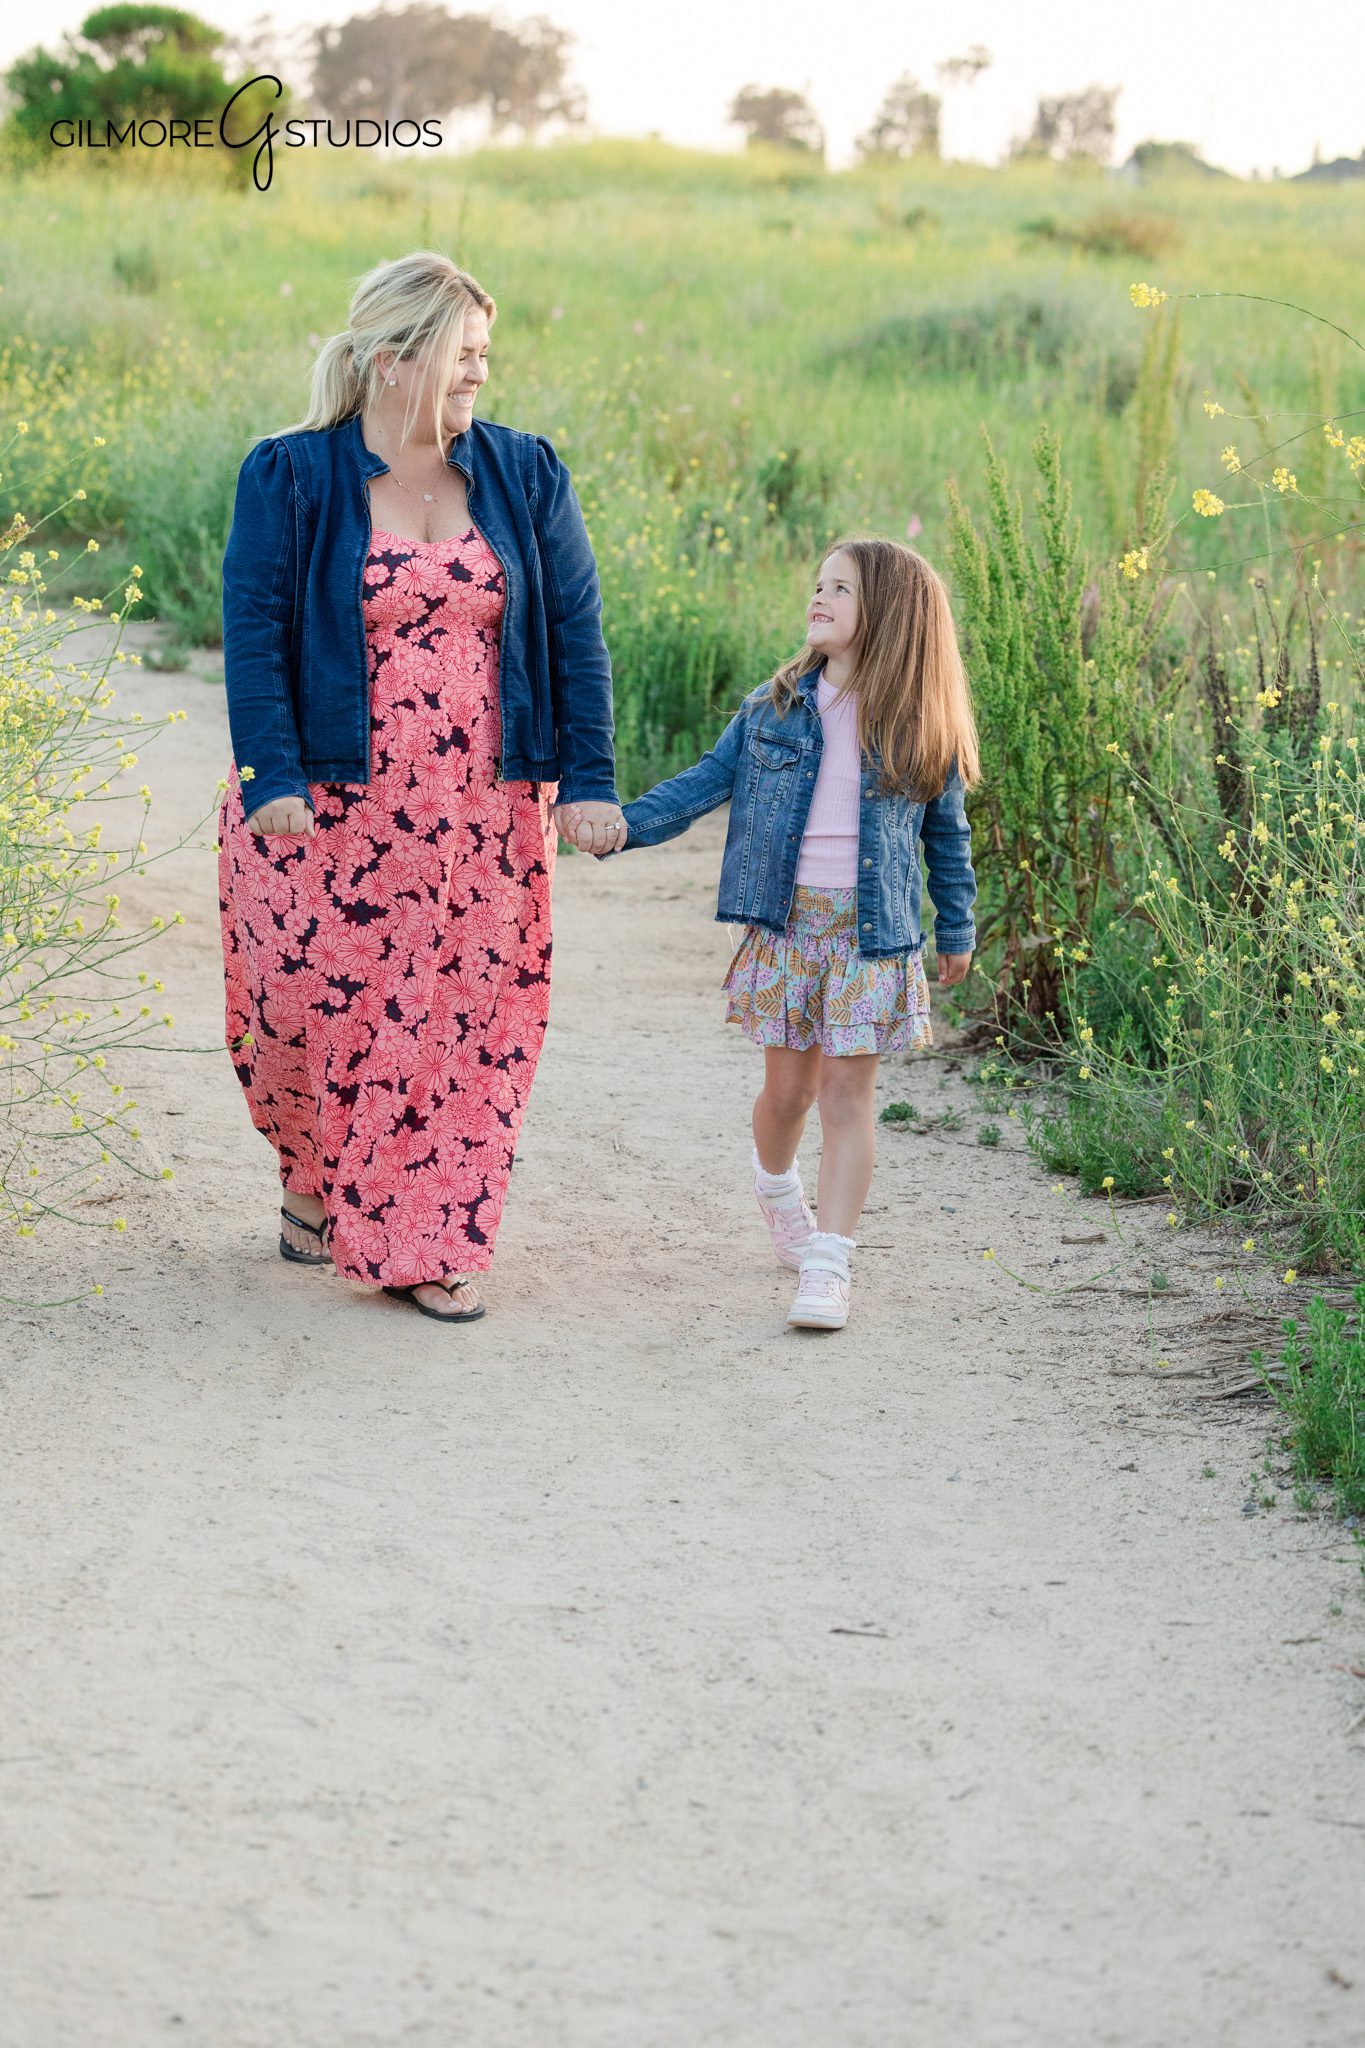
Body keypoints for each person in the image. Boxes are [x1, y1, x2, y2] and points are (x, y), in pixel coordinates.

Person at [217, 250, 628, 1323]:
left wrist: (589, 778)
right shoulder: (290, 474)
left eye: (487, 357)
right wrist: (270, 773)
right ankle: (312, 1172)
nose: (478, 378)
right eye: (461, 357)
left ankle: (429, 1240)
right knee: (295, 1023)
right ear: (393, 360)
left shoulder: (526, 474)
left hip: (482, 818)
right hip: (324, 808)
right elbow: (254, 636)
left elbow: (577, 634)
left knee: (463, 1022)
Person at [560, 536, 980, 1331]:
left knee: (845, 1096)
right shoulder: (774, 707)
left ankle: (829, 1262)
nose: (818, 598)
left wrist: (954, 925)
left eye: (841, 591)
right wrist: (623, 826)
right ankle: (777, 1189)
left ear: (890, 615)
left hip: (870, 934)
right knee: (786, 1096)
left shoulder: (921, 727)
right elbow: (703, 787)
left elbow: (946, 837)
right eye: (818, 585)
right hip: (786, 930)